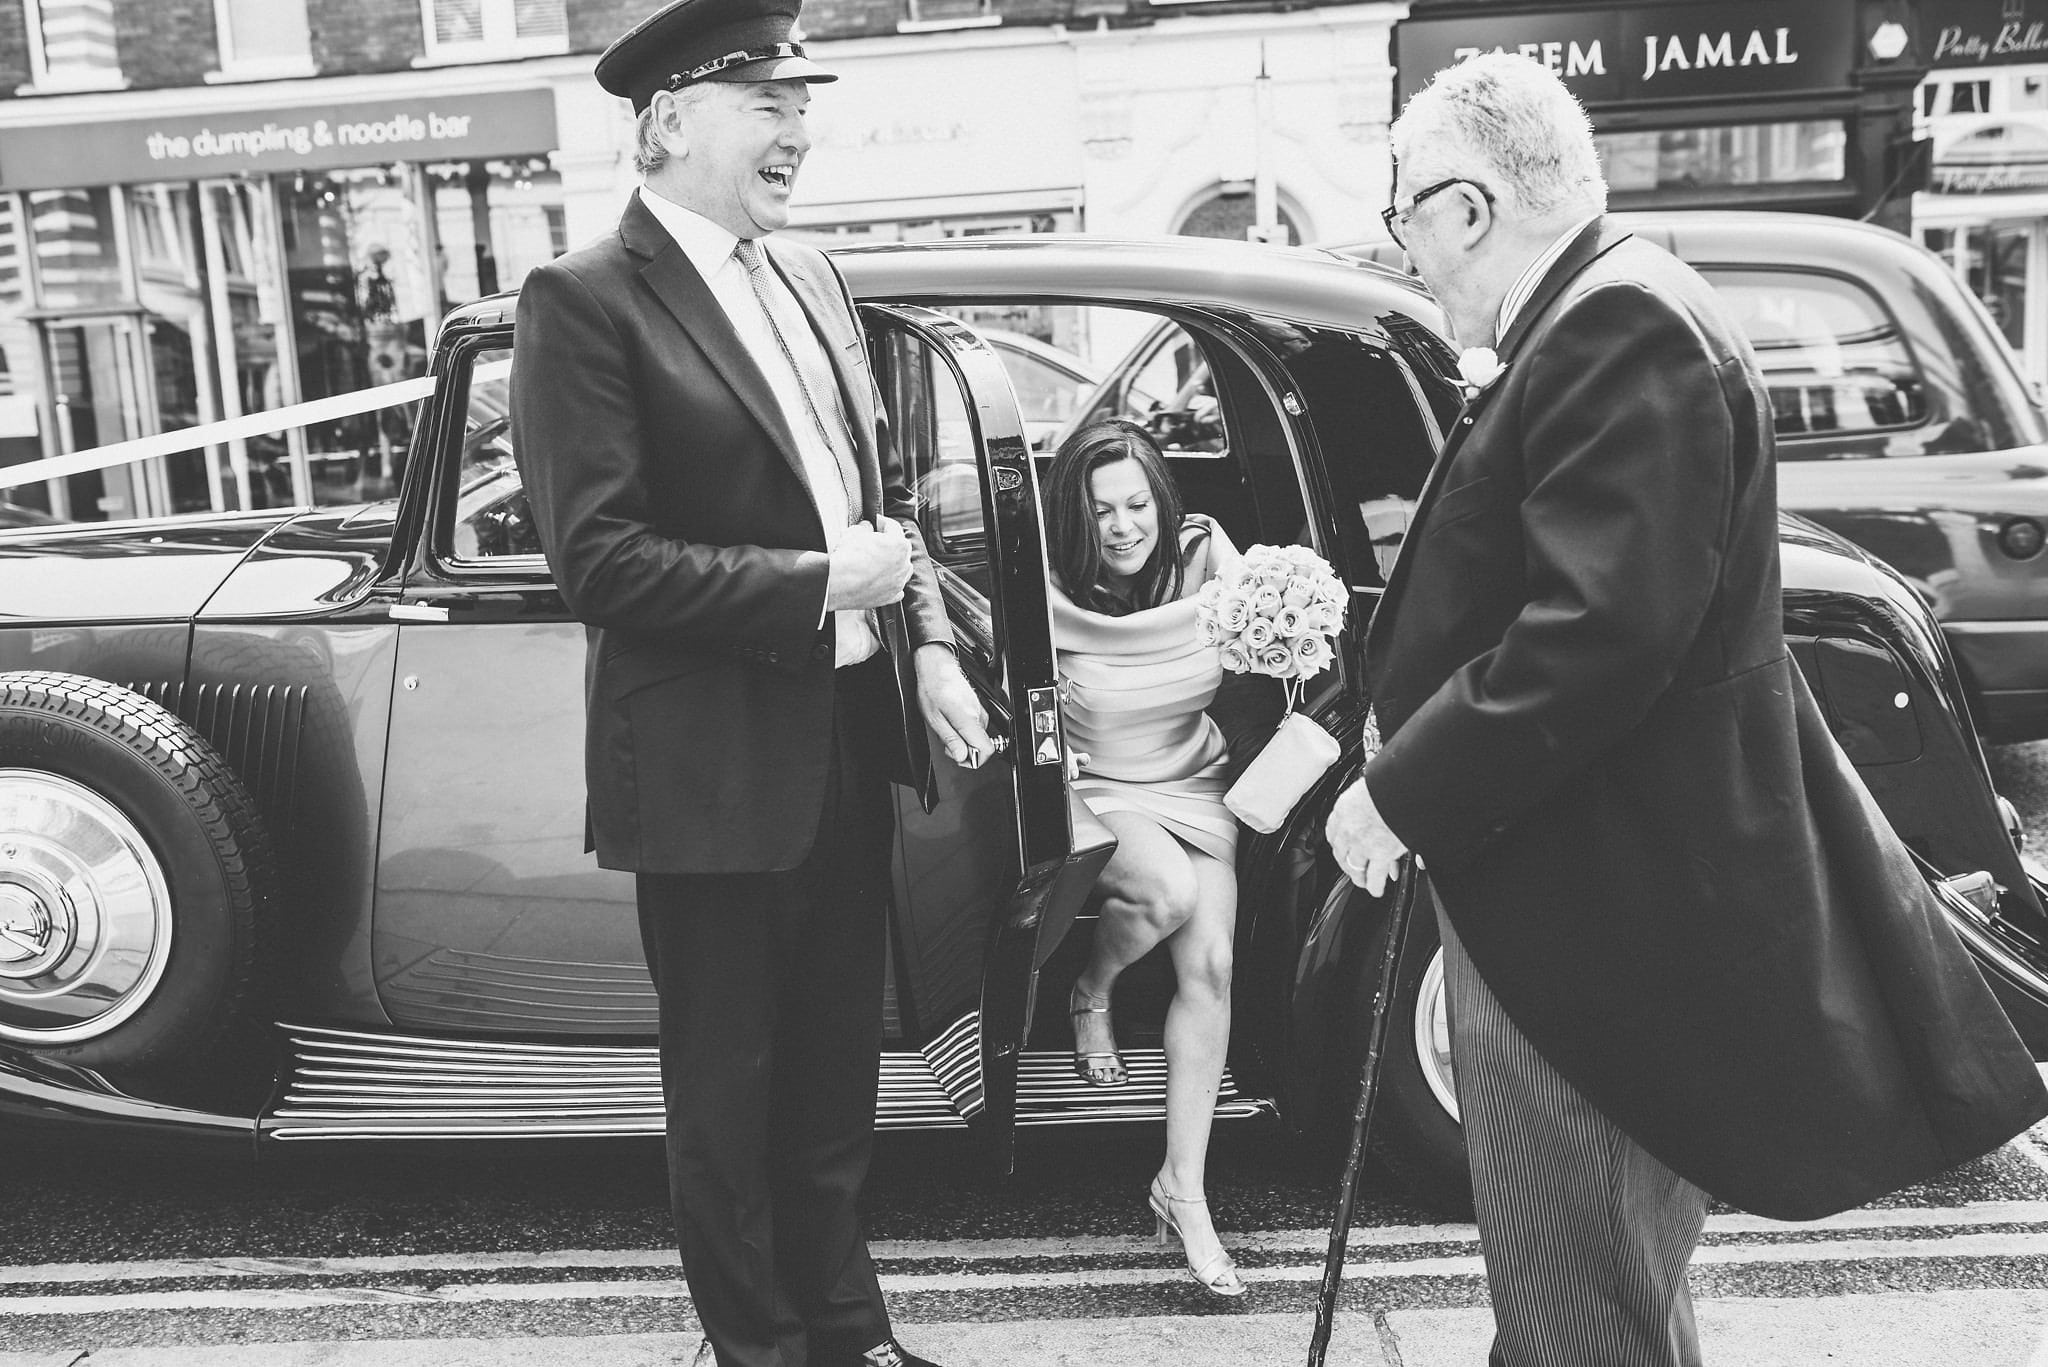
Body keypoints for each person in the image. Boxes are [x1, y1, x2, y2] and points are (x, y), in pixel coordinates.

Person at [1325, 52, 2048, 1367]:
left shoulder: (1619, 322)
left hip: (1595, 905)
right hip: (1584, 883)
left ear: (1471, 207)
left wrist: (1399, 788)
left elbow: (1597, 635)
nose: (1405, 251)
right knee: (1579, 1289)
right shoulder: (1605, 310)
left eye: (1405, 216)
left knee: (1577, 1299)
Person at [508, 3, 993, 1365]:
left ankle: (848, 1331)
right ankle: (765, 1350)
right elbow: (600, 560)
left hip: (841, 731)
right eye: (767, 102)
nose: (800, 130)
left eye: (803, 102)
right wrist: (813, 583)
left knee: (834, 1082)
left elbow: (875, 501)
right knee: (731, 1099)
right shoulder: (584, 299)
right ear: (668, 121)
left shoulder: (813, 277)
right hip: (712, 769)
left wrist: (933, 638)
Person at [1043, 418, 1246, 1299]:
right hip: (1098, 784)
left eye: (1136, 505)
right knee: (1163, 892)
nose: (1122, 526)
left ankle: (1183, 1189)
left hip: (1193, 778)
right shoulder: (1045, 582)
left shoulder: (1208, 555)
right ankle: (1091, 987)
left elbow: (1281, 644)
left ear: (1163, 503)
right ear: (1073, 518)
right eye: (1099, 511)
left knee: (1213, 962)